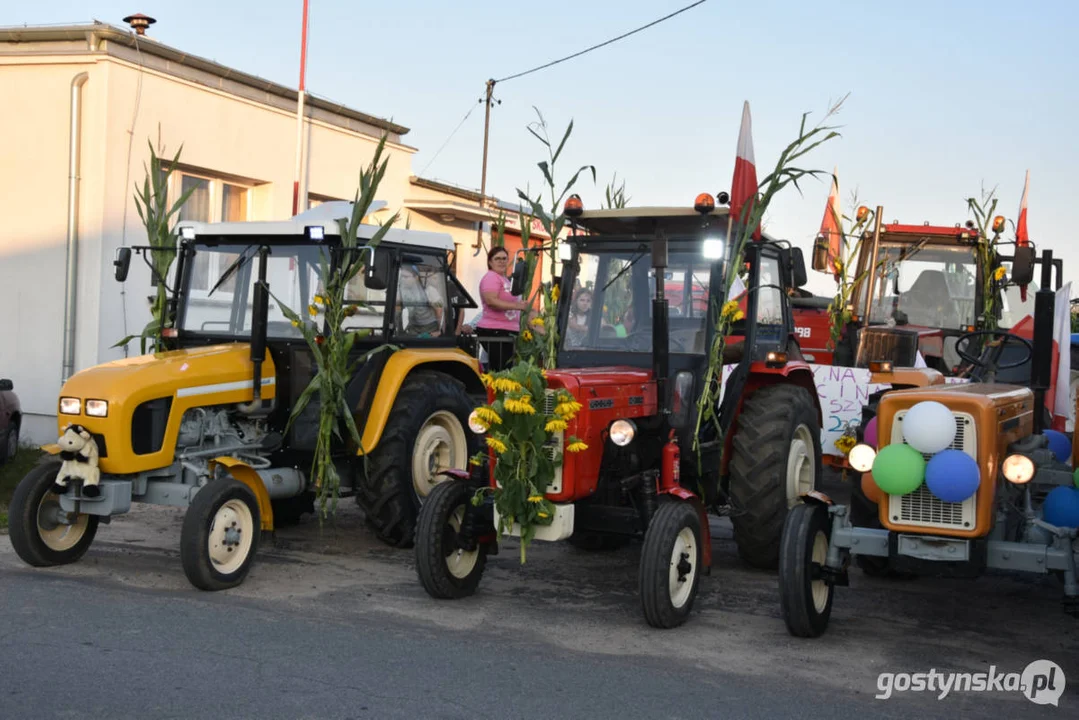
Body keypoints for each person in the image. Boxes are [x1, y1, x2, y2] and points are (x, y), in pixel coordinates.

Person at [475, 247, 530, 370]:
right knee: (501, 370)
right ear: (490, 262)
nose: (501, 261)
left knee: (506, 369)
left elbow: (510, 302)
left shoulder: (505, 279)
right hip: (495, 331)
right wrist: (517, 306)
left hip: (506, 331)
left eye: (504, 258)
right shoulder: (491, 277)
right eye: (497, 259)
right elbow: (491, 301)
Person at [397, 265, 444, 336]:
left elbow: (439, 311)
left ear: (416, 277)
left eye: (406, 277)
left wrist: (439, 331)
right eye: (402, 277)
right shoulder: (402, 291)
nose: (403, 279)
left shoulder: (429, 290)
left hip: (430, 327)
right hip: (413, 326)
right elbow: (397, 309)